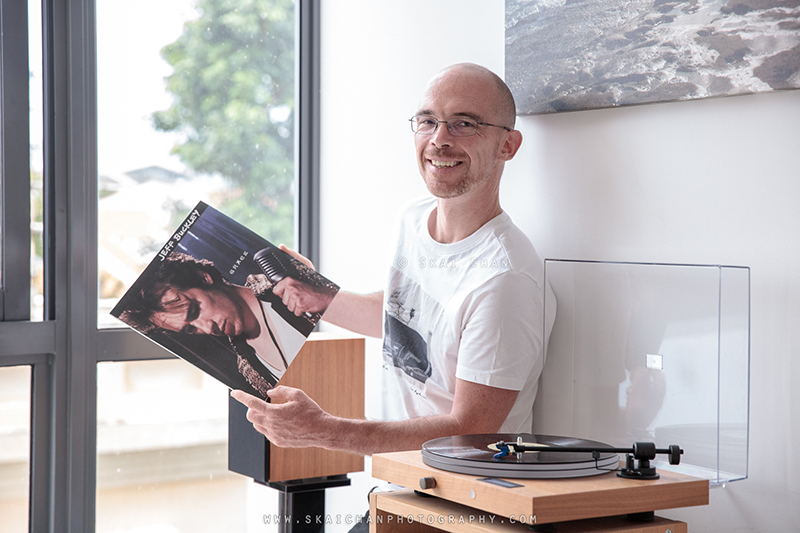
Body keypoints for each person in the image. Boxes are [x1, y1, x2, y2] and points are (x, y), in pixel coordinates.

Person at [232, 62, 553, 456]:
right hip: (397, 481)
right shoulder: (412, 219)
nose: (439, 139)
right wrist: (317, 294)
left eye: (464, 124)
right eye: (428, 121)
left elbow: (470, 430)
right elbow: (402, 316)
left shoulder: (506, 279)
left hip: (461, 490)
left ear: (508, 146)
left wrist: (324, 431)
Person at [119, 253, 327, 396]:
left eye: (195, 311)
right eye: (191, 329)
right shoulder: (249, 369)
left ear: (203, 277)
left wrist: (323, 297)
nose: (207, 328)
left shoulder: (287, 284)